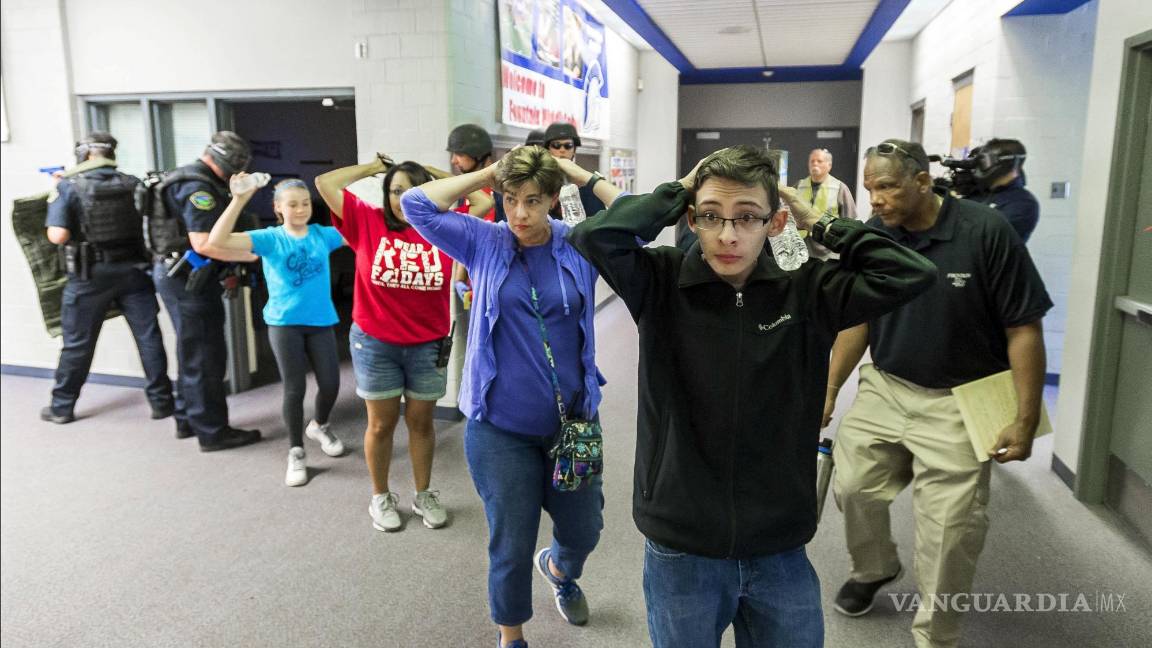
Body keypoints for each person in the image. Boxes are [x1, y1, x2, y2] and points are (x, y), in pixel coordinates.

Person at [566, 145, 938, 648]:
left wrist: (820, 223)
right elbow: (594, 234)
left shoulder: (808, 289)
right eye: (712, 217)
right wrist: (679, 191)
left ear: (774, 221)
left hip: (778, 543)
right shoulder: (660, 280)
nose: (728, 235)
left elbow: (912, 273)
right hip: (681, 541)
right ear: (692, 220)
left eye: (746, 218)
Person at [825, 139, 1052, 648]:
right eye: (869, 189)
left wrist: (1025, 417)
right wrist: (831, 386)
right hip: (887, 385)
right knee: (853, 484)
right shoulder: (874, 235)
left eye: (886, 187)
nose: (875, 199)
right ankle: (875, 566)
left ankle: (936, 637)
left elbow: (1024, 329)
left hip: (962, 397)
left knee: (951, 531)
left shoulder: (985, 231)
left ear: (923, 182)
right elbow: (857, 316)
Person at [401, 146, 620, 648]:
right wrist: (488, 172)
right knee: (511, 542)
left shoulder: (580, 243)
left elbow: (635, 213)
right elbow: (415, 203)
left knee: (584, 529)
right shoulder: (483, 242)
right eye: (510, 198)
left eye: (533, 201)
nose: (519, 213)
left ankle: (561, 570)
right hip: (499, 429)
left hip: (574, 424)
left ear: (552, 200)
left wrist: (575, 172)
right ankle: (511, 636)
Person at [315, 155, 490, 529]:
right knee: (380, 425)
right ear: (385, 194)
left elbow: (483, 199)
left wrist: (433, 179)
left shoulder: (444, 227)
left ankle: (423, 493)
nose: (402, 198)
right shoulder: (367, 221)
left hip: (428, 343)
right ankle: (380, 497)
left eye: (413, 190)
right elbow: (325, 184)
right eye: (396, 191)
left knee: (421, 423)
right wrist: (372, 167)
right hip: (375, 341)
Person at [207, 177, 347, 486]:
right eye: (293, 204)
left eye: (305, 203)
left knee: (331, 383)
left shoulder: (323, 235)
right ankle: (296, 451)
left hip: (322, 321)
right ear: (278, 208)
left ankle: (320, 425)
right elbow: (217, 241)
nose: (300, 209)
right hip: (284, 324)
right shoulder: (270, 238)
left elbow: (365, 230)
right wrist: (238, 200)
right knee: (294, 389)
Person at [40, 132, 174, 424]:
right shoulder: (133, 183)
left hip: (90, 275)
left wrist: (56, 194)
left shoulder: (69, 186)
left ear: (85, 154)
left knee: (78, 343)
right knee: (149, 338)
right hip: (136, 271)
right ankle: (162, 403)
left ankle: (62, 407)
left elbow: (58, 235)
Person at [151, 131, 261, 452]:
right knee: (205, 356)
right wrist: (254, 255)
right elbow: (205, 244)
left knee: (191, 352)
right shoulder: (199, 188)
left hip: (180, 276)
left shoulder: (188, 177)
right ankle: (213, 432)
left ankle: (187, 419)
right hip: (189, 280)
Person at [964, 138, 1039, 242]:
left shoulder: (1022, 203)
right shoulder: (978, 194)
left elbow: (986, 238)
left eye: (985, 162)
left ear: (1010, 164)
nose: (980, 168)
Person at [542, 121, 606, 218]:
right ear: (548, 149)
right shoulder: (539, 181)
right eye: (556, 145)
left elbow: (599, 220)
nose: (562, 150)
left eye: (568, 146)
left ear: (574, 150)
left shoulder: (586, 184)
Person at [796, 148, 857, 220]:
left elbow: (849, 221)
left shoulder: (840, 188)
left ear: (829, 165)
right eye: (812, 161)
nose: (815, 164)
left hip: (827, 231)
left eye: (819, 161)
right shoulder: (799, 186)